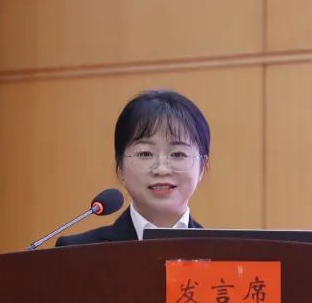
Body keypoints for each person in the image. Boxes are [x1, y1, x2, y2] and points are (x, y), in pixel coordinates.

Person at [56, 89, 209, 246]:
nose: (161, 169)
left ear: (202, 167)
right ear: (121, 168)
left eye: (177, 154)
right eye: (145, 154)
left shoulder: (221, 253)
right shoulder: (77, 252)